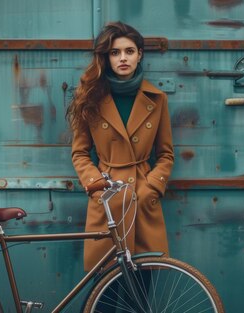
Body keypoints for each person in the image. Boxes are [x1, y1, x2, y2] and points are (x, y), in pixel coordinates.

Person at [66, 21, 174, 271]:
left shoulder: (157, 99)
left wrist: (152, 187)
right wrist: (97, 188)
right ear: (107, 58)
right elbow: (80, 153)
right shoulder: (90, 97)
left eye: (129, 51)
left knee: (141, 293)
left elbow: (166, 154)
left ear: (140, 54)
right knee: (104, 294)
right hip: (109, 200)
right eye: (115, 53)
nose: (122, 58)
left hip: (142, 202)